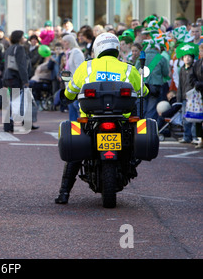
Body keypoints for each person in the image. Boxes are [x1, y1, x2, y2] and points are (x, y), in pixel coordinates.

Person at [55, 32, 149, 204]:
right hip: (121, 119)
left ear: (97, 48)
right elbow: (144, 92)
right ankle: (127, 164)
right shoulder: (128, 68)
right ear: (116, 48)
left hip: (91, 119)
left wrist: (66, 95)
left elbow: (71, 91)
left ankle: (64, 193)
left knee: (76, 153)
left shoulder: (86, 67)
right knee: (132, 144)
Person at [2, 30, 38, 132]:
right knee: (18, 101)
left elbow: (5, 64)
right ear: (19, 38)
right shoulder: (20, 48)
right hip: (16, 77)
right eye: (23, 37)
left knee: (18, 100)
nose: (25, 38)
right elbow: (22, 65)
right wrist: (25, 80)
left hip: (9, 77)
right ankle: (9, 124)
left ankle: (26, 122)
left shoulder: (10, 48)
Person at [134, 32, 169, 120]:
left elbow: (136, 71)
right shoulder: (161, 58)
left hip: (142, 86)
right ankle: (148, 128)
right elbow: (165, 73)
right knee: (151, 110)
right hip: (155, 87)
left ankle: (140, 127)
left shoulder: (141, 58)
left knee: (141, 108)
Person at [175, 42, 199, 144]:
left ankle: (194, 136)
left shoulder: (194, 68)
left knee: (193, 117)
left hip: (193, 97)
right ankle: (186, 136)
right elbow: (180, 84)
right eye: (185, 57)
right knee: (185, 118)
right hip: (185, 97)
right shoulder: (181, 69)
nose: (187, 58)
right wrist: (179, 97)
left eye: (189, 56)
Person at [61, 34, 84, 121]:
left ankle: (82, 130)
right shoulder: (69, 53)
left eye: (65, 41)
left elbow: (80, 68)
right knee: (72, 110)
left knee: (76, 108)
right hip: (69, 85)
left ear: (70, 42)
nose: (64, 43)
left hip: (76, 85)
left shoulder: (76, 52)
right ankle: (75, 131)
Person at [190, 43, 203, 149]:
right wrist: (195, 83)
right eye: (201, 51)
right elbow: (192, 75)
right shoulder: (198, 63)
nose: (201, 53)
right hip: (199, 94)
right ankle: (201, 139)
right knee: (199, 118)